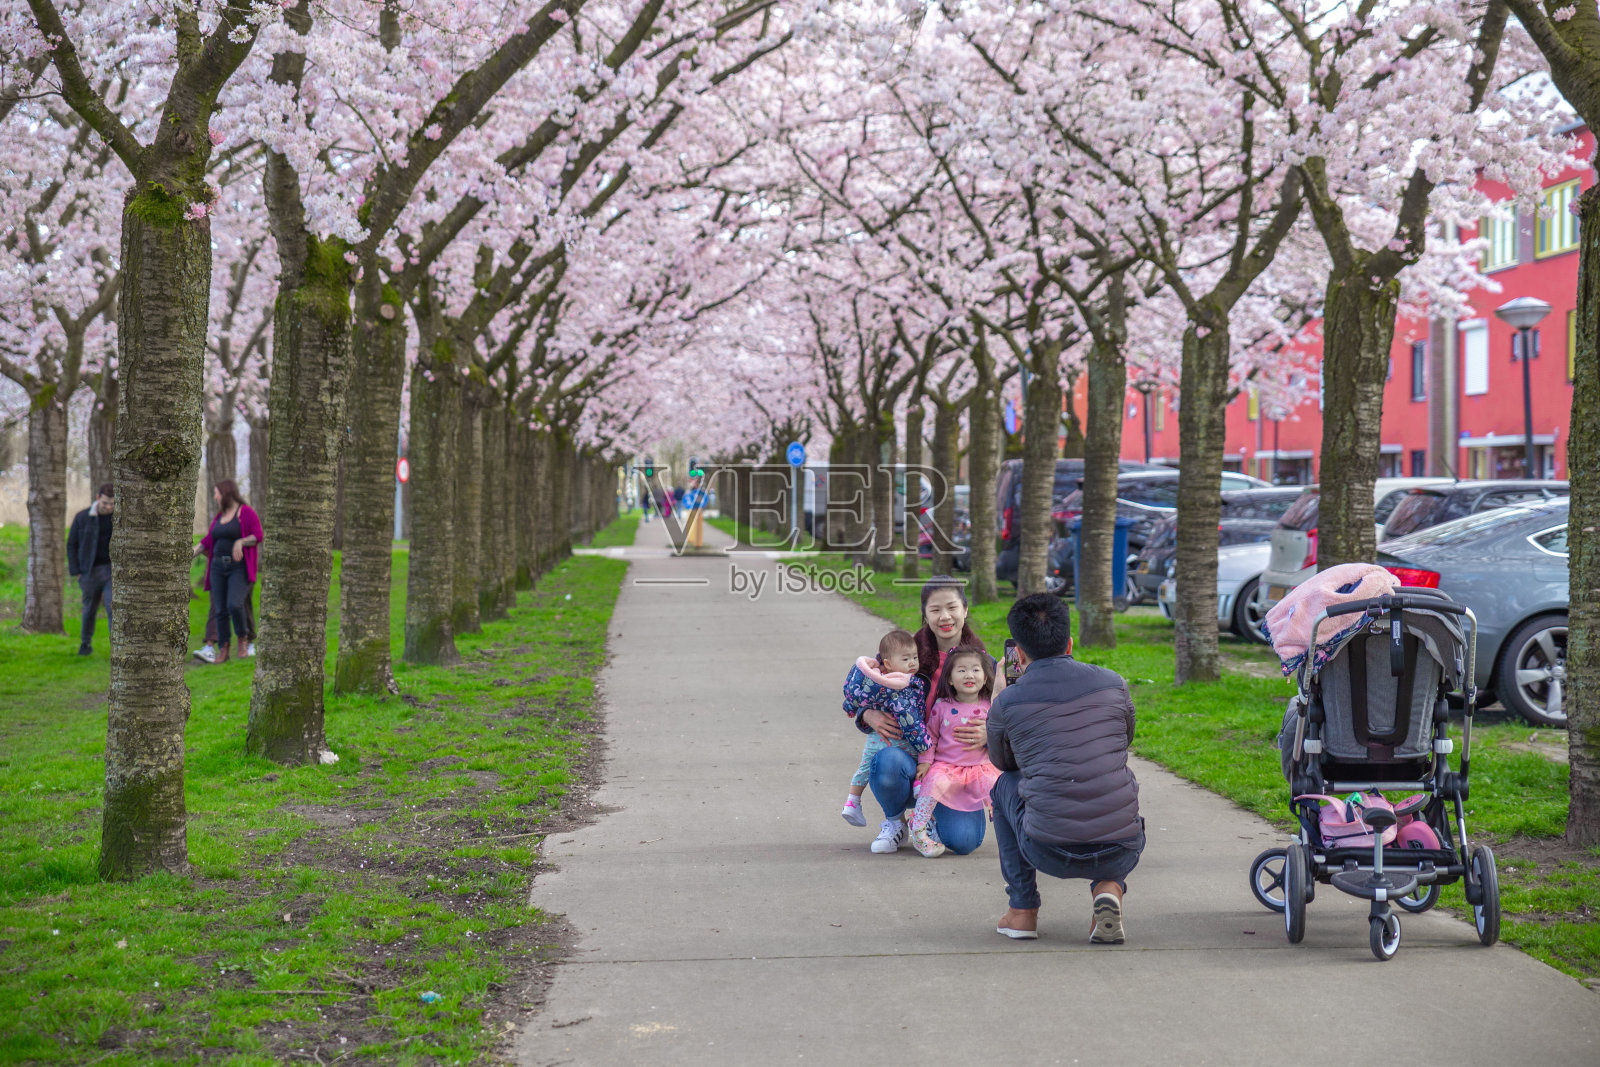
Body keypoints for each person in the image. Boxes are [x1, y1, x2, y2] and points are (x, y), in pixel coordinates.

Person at [985, 593, 1144, 945]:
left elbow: (1003, 763)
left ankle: (1022, 911)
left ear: (1019, 655)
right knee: (1114, 779)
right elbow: (1124, 740)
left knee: (1002, 787)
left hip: (1048, 850)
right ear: (1070, 643)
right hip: (1122, 845)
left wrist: (1000, 699)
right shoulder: (1114, 683)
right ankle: (1109, 887)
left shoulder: (1009, 701)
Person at [857, 575, 1005, 856]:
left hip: (958, 766)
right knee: (887, 763)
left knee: (964, 842)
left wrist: (991, 732)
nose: (945, 617)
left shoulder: (984, 663)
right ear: (925, 615)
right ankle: (895, 822)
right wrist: (867, 714)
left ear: (965, 610)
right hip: (910, 754)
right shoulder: (904, 654)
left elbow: (1008, 713)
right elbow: (862, 692)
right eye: (935, 610)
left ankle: (929, 818)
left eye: (952, 607)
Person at [910, 646, 1000, 857]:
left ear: (986, 677)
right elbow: (930, 737)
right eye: (961, 670)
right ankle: (919, 827)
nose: (969, 675)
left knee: (998, 790)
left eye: (976, 670)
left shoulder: (992, 707)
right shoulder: (941, 706)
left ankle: (1012, 831)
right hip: (947, 765)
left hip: (981, 767)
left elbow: (1002, 735)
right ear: (949, 679)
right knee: (934, 783)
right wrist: (925, 761)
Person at [839, 629, 931, 827]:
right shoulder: (900, 686)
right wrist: (924, 744)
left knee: (864, 767)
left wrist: (853, 708)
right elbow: (910, 720)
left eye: (915, 657)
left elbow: (856, 697)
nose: (913, 663)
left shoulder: (874, 680)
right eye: (906, 659)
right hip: (900, 738)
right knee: (918, 759)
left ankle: (852, 802)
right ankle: (913, 797)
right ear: (888, 663)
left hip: (876, 738)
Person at [192, 480, 264, 664]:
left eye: (217, 493)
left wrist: (240, 542)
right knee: (221, 609)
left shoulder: (246, 512)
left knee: (235, 604)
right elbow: (209, 539)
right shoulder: (220, 516)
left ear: (226, 493)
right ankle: (223, 648)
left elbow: (258, 535)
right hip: (217, 567)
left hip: (238, 567)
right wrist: (193, 552)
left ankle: (243, 638)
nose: (215, 497)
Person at [66, 483, 115, 656]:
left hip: (111, 571)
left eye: (112, 504)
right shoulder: (82, 517)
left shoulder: (118, 519)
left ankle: (116, 649)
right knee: (89, 609)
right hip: (88, 572)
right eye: (105, 503)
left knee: (112, 607)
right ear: (97, 498)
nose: (108, 507)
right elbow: (71, 544)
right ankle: (85, 644)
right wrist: (77, 572)